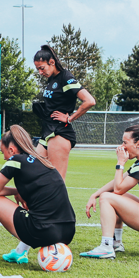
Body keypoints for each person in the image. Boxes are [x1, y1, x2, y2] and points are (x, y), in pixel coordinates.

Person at [0, 125, 76, 266]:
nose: (4, 157)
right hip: (67, 232)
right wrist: (19, 191)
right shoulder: (43, 162)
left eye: (2, 152)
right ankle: (19, 252)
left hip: (43, 233)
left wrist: (16, 191)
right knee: (35, 209)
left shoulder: (16, 160)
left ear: (11, 150)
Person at [81, 125, 139, 259]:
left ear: (138, 144)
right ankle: (116, 243)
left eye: (125, 142)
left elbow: (119, 188)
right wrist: (95, 194)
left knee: (108, 198)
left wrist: (120, 162)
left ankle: (106, 246)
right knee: (111, 196)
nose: (122, 147)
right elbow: (120, 182)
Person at [31, 44, 96, 179]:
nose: (40, 72)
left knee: (57, 181)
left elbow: (89, 101)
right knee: (34, 173)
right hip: (47, 131)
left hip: (60, 133)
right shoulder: (52, 79)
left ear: (52, 62)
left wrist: (70, 118)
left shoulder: (65, 77)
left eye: (42, 68)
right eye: (38, 69)